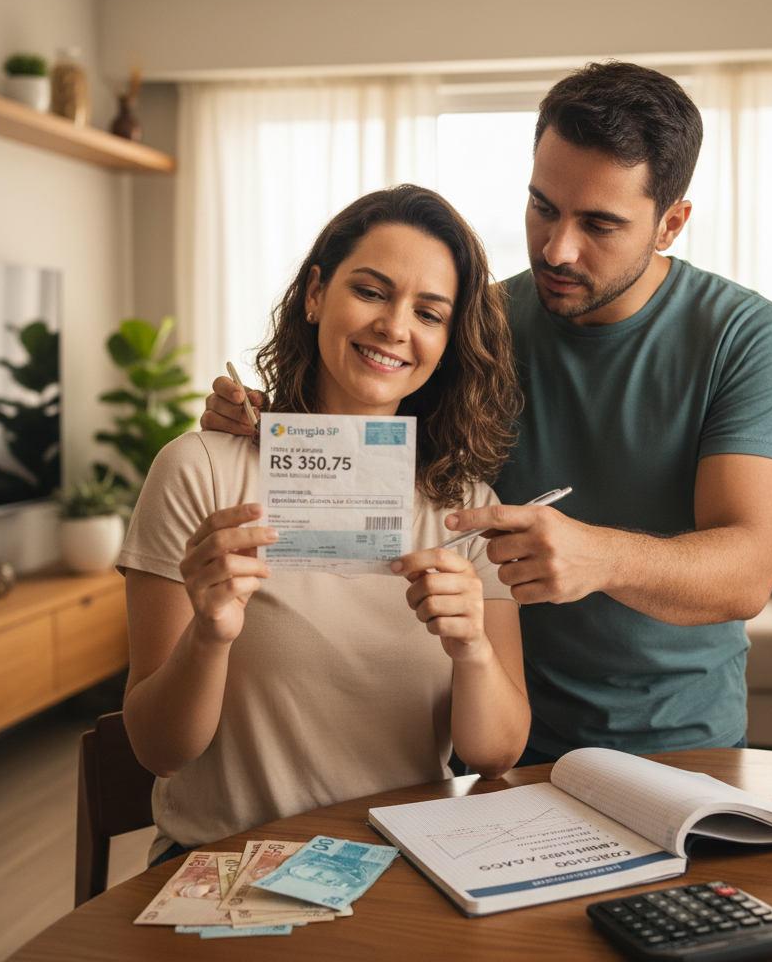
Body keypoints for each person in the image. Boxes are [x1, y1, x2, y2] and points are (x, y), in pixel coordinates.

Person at [203, 62, 772, 767]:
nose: (556, 248)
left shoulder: (743, 337)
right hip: (493, 748)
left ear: (670, 223)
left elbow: (748, 572)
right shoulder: (477, 321)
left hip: (682, 744)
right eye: (542, 206)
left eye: (599, 224)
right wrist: (267, 430)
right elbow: (373, 441)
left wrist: (598, 557)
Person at [118, 186, 530, 866]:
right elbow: (158, 751)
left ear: (448, 341)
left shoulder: (466, 510)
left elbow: (498, 753)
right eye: (370, 291)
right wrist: (209, 635)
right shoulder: (201, 472)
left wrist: (473, 650)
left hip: (402, 866)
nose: (394, 326)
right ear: (315, 295)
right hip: (228, 865)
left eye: (428, 313)